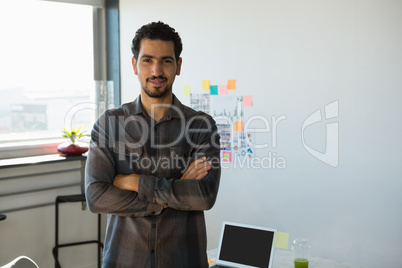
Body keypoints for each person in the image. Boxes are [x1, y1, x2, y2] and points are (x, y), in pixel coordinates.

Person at [85, 21, 221, 268]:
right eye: (147, 60)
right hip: (123, 260)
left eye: (166, 61)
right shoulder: (110, 124)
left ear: (178, 66)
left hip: (184, 261)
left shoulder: (201, 125)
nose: (156, 70)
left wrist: (135, 182)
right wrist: (178, 189)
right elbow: (97, 197)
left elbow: (204, 196)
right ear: (135, 64)